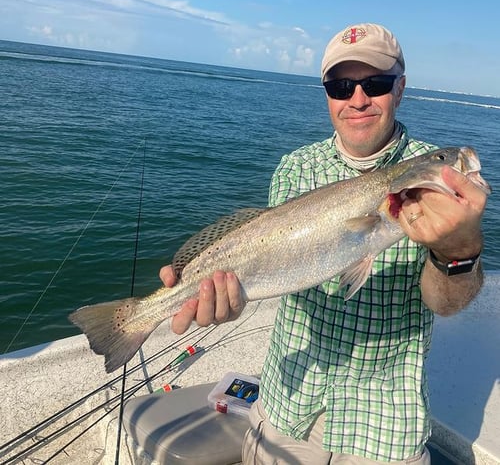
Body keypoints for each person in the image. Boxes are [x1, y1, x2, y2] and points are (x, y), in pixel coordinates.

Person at [160, 23, 487, 464]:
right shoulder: (295, 168)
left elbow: (445, 304)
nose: (357, 98)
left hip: (384, 429)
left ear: (401, 88)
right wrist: (233, 298)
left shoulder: (434, 182)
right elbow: (275, 268)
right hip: (285, 407)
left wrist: (458, 248)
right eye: (340, 85)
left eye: (375, 83)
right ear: (327, 92)